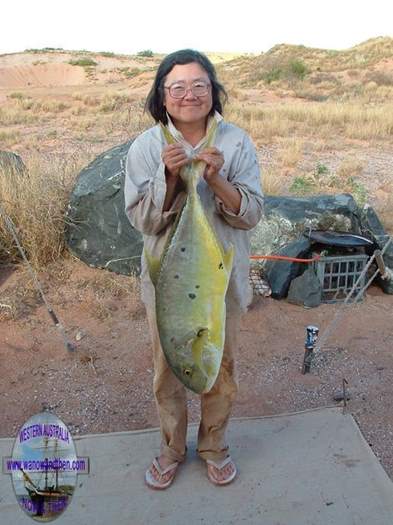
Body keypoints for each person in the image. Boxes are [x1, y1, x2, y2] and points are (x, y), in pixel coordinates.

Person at [124, 49, 264, 489]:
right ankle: (171, 447)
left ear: (213, 91)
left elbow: (252, 214)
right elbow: (142, 221)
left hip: (221, 281)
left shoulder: (237, 142)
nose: (190, 94)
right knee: (168, 368)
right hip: (168, 281)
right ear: (162, 96)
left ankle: (214, 446)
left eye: (200, 84)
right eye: (178, 86)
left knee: (220, 367)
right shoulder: (147, 147)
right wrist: (169, 181)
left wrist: (214, 179)